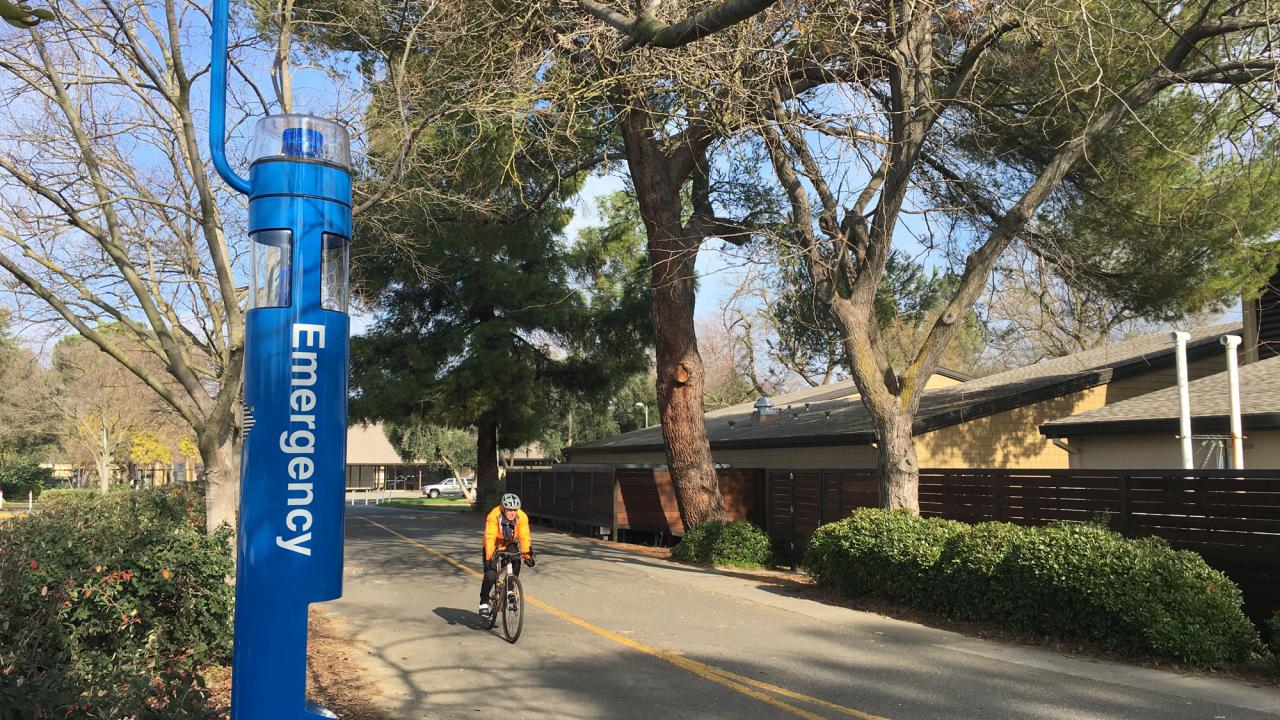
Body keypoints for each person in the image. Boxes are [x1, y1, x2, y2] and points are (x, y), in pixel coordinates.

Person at [479, 492, 534, 615]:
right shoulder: (493, 515)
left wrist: (527, 555)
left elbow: (525, 536)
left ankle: (510, 587)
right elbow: (490, 537)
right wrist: (489, 557)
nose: (512, 513)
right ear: (503, 508)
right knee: (490, 575)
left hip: (509, 543)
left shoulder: (522, 517)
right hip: (493, 545)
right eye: (510, 510)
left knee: (516, 560)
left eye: (515, 510)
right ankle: (483, 601)